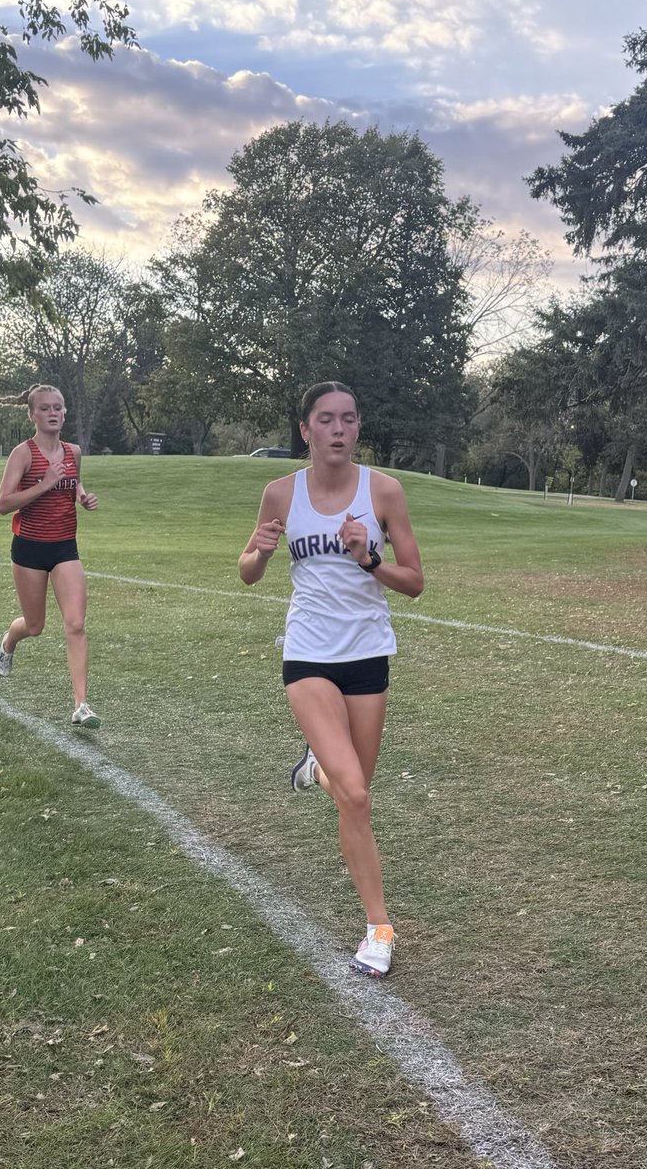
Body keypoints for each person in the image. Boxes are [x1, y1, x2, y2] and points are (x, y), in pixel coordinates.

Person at [238, 382, 423, 977]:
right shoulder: (279, 493)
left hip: (368, 656)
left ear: (357, 429)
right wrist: (261, 553)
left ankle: (314, 766)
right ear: (306, 430)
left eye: (347, 419)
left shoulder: (384, 492)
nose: (337, 430)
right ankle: (379, 928)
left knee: (350, 792)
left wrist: (370, 558)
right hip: (309, 655)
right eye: (326, 420)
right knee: (359, 795)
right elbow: (246, 571)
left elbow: (414, 580)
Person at [0, 384, 101, 728]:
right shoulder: (23, 454)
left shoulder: (74, 451)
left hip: (65, 546)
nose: (53, 413)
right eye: (46, 408)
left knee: (76, 624)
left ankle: (81, 705)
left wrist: (81, 496)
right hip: (29, 549)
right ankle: (9, 641)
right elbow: (3, 504)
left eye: (59, 408)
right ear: (32, 414)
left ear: (65, 413)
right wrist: (44, 484)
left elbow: (74, 481)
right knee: (34, 626)